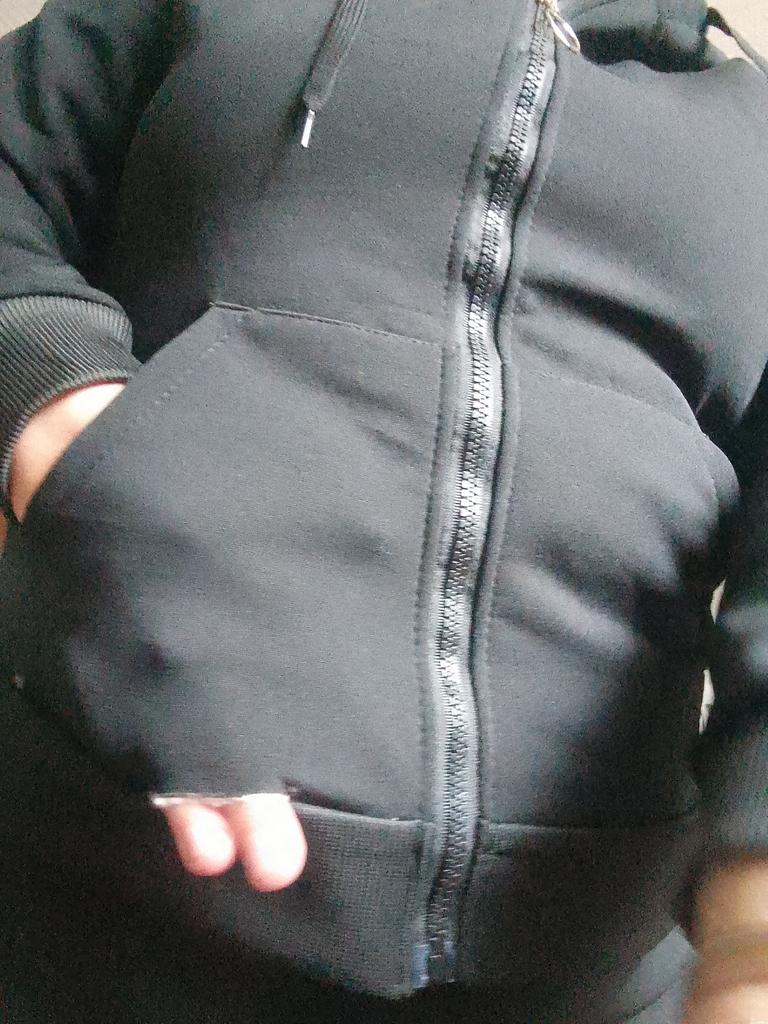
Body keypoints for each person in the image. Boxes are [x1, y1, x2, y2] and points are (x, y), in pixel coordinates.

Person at [0, 0, 766, 1021]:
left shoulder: (751, 127)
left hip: (597, 966)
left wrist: (753, 918)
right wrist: (69, 428)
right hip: (96, 879)